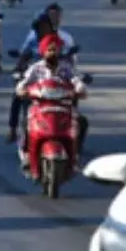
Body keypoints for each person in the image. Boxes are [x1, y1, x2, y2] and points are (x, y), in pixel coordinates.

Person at [14, 34, 89, 163]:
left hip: (63, 106)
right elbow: (24, 82)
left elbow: (76, 80)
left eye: (56, 49)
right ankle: (26, 153)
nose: (54, 53)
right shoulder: (36, 68)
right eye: (50, 50)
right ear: (44, 51)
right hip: (41, 106)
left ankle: (75, 153)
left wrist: (80, 88)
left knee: (81, 122)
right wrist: (21, 89)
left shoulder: (66, 67)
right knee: (27, 123)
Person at [6, 14, 56, 144]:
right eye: (40, 27)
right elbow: (22, 59)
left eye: (45, 27)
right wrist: (18, 71)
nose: (43, 30)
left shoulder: (58, 41)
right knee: (17, 96)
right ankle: (13, 129)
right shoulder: (32, 43)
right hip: (35, 83)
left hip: (56, 84)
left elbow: (68, 61)